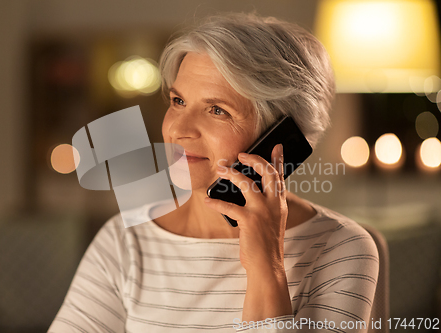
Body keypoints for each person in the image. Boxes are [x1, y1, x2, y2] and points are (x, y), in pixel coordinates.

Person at [48, 13, 379, 332]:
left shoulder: (340, 248)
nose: (178, 129)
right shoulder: (125, 240)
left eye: (217, 110)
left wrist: (267, 267)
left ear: (280, 137)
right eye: (178, 101)